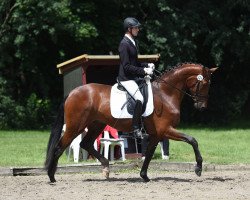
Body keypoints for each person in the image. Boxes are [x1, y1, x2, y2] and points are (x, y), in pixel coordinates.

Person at [117, 17, 155, 138]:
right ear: (129, 29)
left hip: (133, 77)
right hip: (126, 79)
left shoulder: (132, 42)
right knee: (139, 98)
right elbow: (127, 66)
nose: (138, 29)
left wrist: (147, 64)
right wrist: (144, 71)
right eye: (136, 27)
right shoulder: (124, 44)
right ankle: (135, 128)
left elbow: (135, 63)